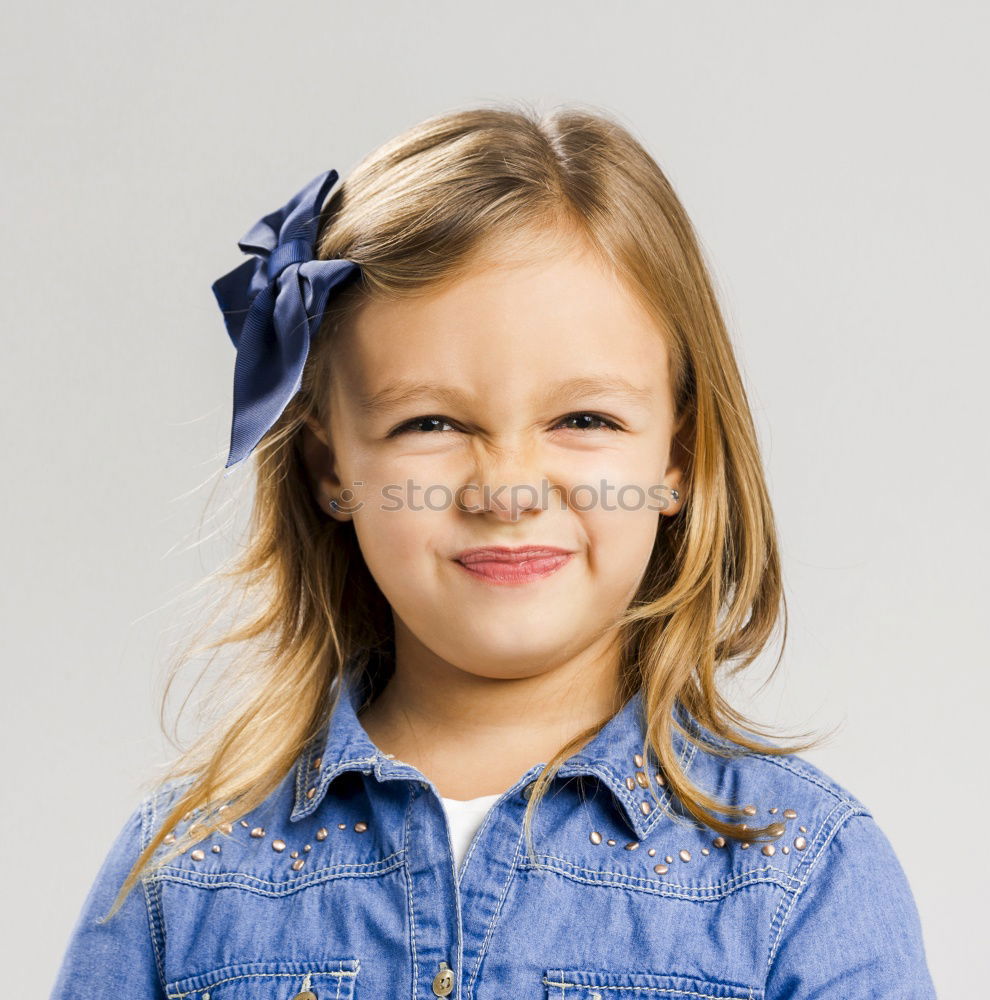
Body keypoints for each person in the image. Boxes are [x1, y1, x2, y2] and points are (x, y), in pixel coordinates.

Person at [49, 104, 937, 998]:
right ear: (331, 466)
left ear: (677, 456)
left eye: (584, 419)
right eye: (428, 422)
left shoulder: (800, 874)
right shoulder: (183, 876)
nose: (506, 489)